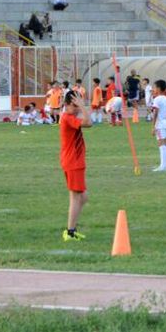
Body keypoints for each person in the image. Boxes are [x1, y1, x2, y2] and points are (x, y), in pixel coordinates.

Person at [59, 89, 92, 240]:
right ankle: (70, 231)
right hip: (73, 162)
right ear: (66, 105)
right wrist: (83, 106)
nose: (77, 108)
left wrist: (80, 106)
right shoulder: (67, 117)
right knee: (76, 197)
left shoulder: (69, 116)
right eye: (74, 105)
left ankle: (72, 229)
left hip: (75, 161)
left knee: (83, 197)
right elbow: (89, 123)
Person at [150, 79, 166, 172]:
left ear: (158, 88)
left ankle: (163, 166)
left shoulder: (157, 99)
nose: (153, 90)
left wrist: (153, 126)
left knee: (161, 143)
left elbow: (155, 113)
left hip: (160, 124)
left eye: (154, 87)